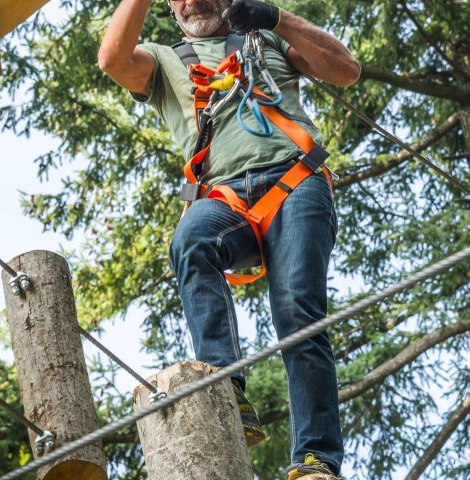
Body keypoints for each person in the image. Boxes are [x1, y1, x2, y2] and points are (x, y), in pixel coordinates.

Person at [98, 0, 360, 478]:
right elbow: (113, 60)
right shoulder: (164, 60)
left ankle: (317, 460)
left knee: (298, 310)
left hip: (295, 180)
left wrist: (277, 18)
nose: (192, 1)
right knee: (191, 240)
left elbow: (345, 71)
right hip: (224, 196)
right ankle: (226, 390)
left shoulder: (267, 38)